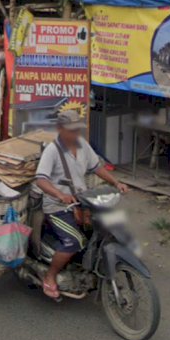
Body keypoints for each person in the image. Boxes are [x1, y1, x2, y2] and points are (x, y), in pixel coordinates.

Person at [33, 110, 128, 300]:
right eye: (71, 129)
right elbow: (41, 179)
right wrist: (60, 194)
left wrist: (116, 183)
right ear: (60, 129)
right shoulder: (52, 150)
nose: (75, 133)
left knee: (108, 229)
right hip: (58, 208)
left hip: (82, 202)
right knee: (74, 242)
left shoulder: (83, 145)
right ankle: (50, 277)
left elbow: (97, 167)